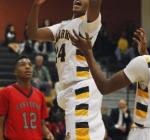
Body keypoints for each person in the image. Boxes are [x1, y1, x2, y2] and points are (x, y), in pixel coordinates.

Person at [69, 19, 150, 140]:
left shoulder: (145, 63)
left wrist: (88, 52)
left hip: (149, 133)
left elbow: (105, 87)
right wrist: (144, 53)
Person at [27, 0, 104, 139]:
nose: (77, 0)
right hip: (68, 89)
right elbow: (33, 33)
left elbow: (95, 4)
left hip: (82, 86)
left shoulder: (89, 23)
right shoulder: (61, 26)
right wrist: (36, 5)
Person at [0, 56, 54, 140]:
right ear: (15, 72)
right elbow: (0, 124)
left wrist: (47, 133)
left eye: (30, 64)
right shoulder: (5, 93)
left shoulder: (40, 95)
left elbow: (41, 124)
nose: (28, 67)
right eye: (22, 64)